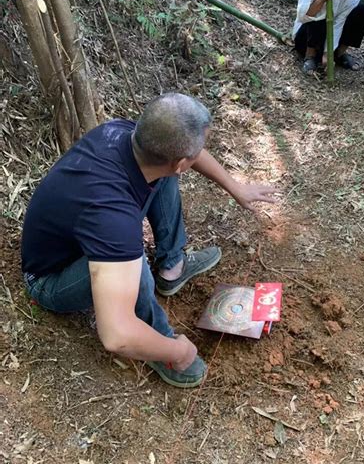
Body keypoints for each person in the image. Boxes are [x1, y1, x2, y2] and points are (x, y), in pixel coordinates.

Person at [21, 93, 277, 388]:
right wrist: (179, 350)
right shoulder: (114, 219)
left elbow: (185, 156)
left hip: (81, 234)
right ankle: (159, 345)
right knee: (135, 264)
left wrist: (237, 188)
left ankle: (173, 267)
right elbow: (116, 335)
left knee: (162, 176)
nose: (198, 155)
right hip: (49, 279)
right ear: (182, 161)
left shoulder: (124, 134)